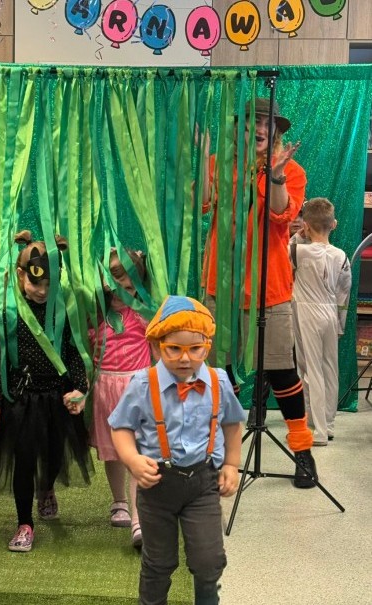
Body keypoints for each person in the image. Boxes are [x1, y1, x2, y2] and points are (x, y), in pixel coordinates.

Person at [203, 96, 318, 488]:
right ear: (240, 127)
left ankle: (302, 451)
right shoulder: (219, 165)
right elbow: (201, 204)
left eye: (270, 123)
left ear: (277, 132)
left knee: (282, 371)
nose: (262, 128)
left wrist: (276, 175)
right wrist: (202, 160)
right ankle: (222, 451)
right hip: (221, 288)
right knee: (220, 372)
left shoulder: (292, 171)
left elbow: (281, 215)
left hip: (270, 290)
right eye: (254, 120)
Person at [109, 295, 245, 605]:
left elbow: (232, 424)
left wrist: (231, 464)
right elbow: (120, 427)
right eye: (174, 349)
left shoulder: (218, 381)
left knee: (209, 560)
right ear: (157, 347)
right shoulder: (143, 384)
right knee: (158, 563)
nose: (185, 358)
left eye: (195, 349)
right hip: (157, 486)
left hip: (203, 484)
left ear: (207, 347)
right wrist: (132, 459)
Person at [0, 230, 94, 553]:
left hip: (57, 397)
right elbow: (0, 357)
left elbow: (73, 352)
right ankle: (24, 522)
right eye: (36, 283)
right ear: (20, 273)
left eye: (49, 285)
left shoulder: (62, 308)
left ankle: (47, 487)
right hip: (21, 400)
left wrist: (80, 388)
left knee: (54, 456)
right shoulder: (10, 311)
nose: (42, 291)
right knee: (23, 461)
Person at [88, 248, 150, 548]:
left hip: (137, 392)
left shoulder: (143, 313)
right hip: (105, 390)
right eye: (116, 288)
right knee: (112, 452)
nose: (122, 294)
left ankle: (138, 519)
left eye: (129, 288)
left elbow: (158, 344)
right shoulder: (95, 314)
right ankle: (119, 501)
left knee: (135, 453)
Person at [290, 198, 352, 446]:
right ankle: (328, 422)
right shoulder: (341, 255)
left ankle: (320, 431)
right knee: (329, 368)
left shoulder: (297, 250)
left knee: (310, 369)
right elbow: (344, 293)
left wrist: (299, 234)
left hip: (306, 311)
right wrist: (340, 324)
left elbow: (286, 248)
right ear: (334, 224)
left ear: (305, 225)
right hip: (330, 312)